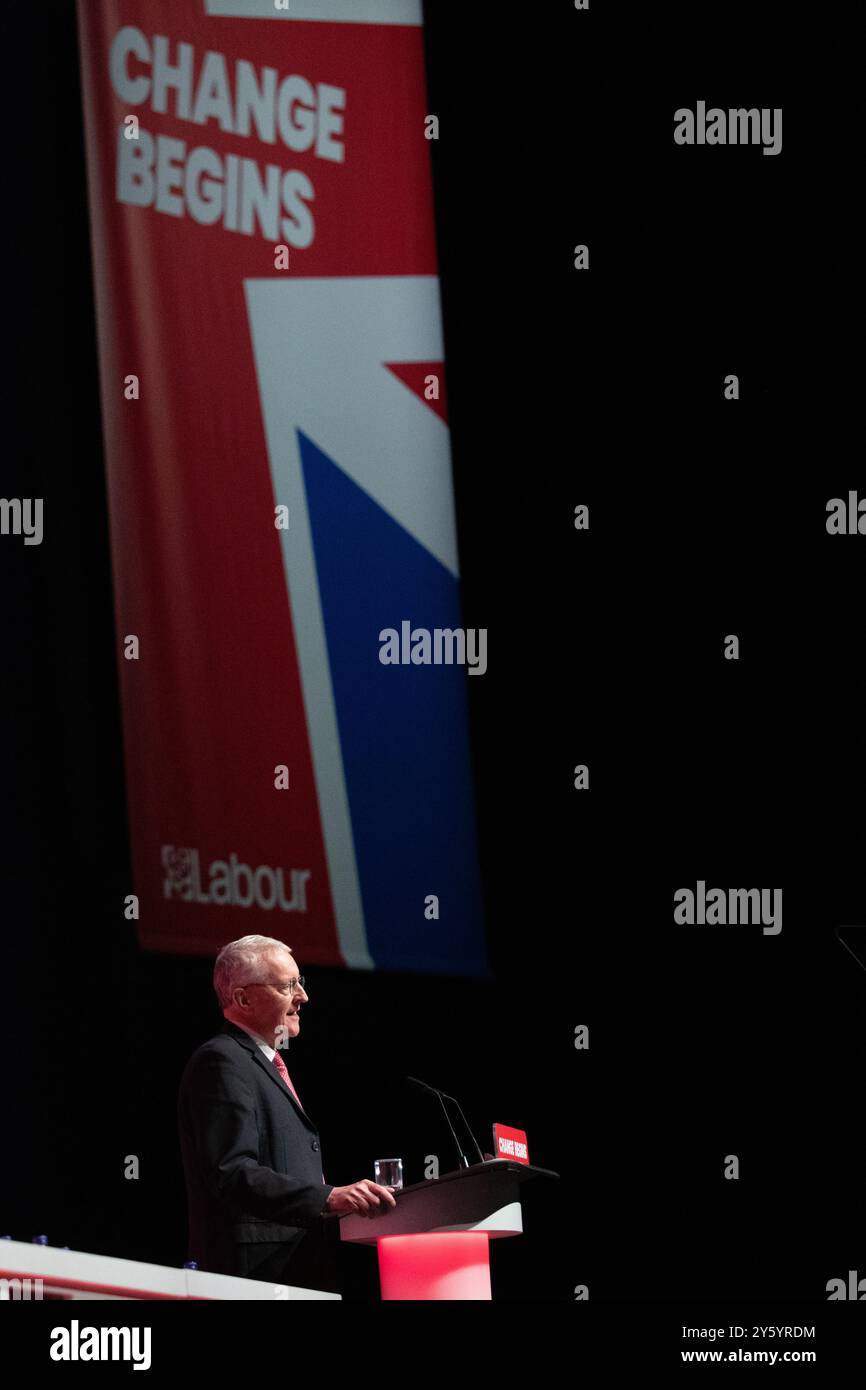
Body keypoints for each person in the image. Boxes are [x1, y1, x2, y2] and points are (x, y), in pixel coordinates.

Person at [177, 933, 396, 1290]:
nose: (303, 997)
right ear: (243, 998)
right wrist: (328, 1197)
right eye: (287, 986)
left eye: (301, 983)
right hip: (252, 1276)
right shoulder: (221, 1061)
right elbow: (231, 1172)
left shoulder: (264, 1063)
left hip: (297, 1269)